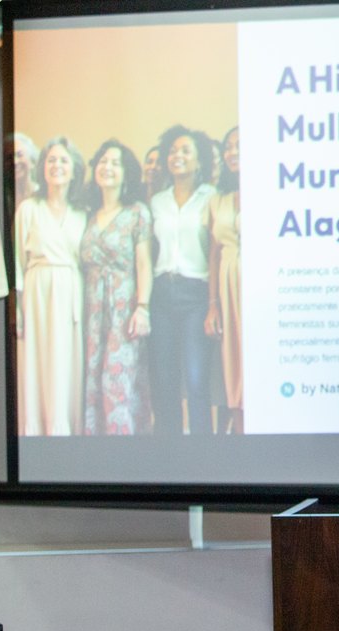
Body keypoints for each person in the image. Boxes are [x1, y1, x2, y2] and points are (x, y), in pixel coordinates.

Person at [14, 136, 89, 436]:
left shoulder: (83, 213)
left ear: (74, 170)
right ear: (42, 167)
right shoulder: (28, 209)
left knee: (66, 366)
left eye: (64, 160)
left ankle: (65, 434)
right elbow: (17, 264)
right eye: (51, 160)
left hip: (70, 295)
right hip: (37, 296)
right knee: (38, 366)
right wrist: (17, 310)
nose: (57, 165)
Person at [148, 125, 218, 435]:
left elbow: (214, 253)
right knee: (165, 380)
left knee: (195, 378)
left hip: (196, 296)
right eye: (173, 151)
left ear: (199, 160)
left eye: (186, 151)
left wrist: (213, 303)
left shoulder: (211, 198)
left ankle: (202, 453)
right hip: (162, 293)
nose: (178, 155)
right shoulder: (157, 201)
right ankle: (171, 452)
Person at [80, 140, 153, 435]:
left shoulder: (137, 213)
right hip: (92, 314)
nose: (107, 167)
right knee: (93, 383)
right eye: (102, 161)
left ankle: (123, 450)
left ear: (126, 173)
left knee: (118, 382)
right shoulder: (88, 215)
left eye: (115, 163)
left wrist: (143, 308)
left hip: (123, 310)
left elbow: (144, 263)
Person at [206, 127, 243, 433]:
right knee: (233, 366)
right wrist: (213, 305)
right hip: (227, 289)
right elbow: (214, 254)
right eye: (228, 146)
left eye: (240, 145)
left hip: (258, 291)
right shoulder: (218, 201)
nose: (233, 152)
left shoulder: (276, 192)